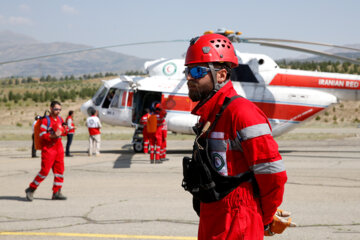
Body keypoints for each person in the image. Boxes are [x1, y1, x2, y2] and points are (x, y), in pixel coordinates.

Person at [182, 33, 289, 239]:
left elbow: (273, 174)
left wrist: (265, 218)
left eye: (197, 71)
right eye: (187, 71)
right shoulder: (210, 115)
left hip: (237, 221)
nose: (189, 78)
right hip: (212, 216)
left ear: (221, 75)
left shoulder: (242, 113)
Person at [25, 101, 67, 201]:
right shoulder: (45, 121)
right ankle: (31, 189)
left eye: (60, 109)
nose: (58, 111)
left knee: (60, 171)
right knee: (44, 171)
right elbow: (42, 135)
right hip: (49, 149)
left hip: (59, 148)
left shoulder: (60, 119)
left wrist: (66, 130)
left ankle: (56, 192)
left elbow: (62, 132)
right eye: (56, 109)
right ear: (51, 108)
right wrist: (54, 135)